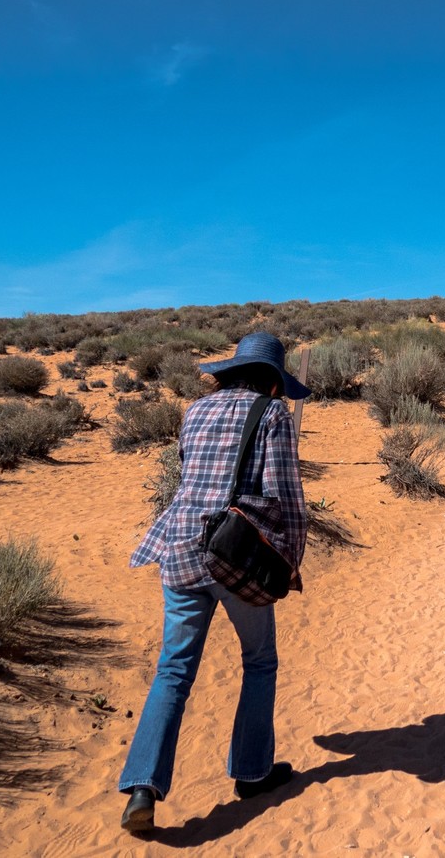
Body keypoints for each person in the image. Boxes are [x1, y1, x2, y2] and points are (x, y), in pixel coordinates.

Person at [118, 332, 310, 834]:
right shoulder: (273, 415)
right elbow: (285, 495)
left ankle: (143, 786)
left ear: (230, 371)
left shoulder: (195, 410)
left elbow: (188, 476)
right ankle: (251, 773)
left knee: (174, 669)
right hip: (234, 553)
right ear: (273, 382)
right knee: (260, 660)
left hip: (178, 545)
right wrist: (289, 561)